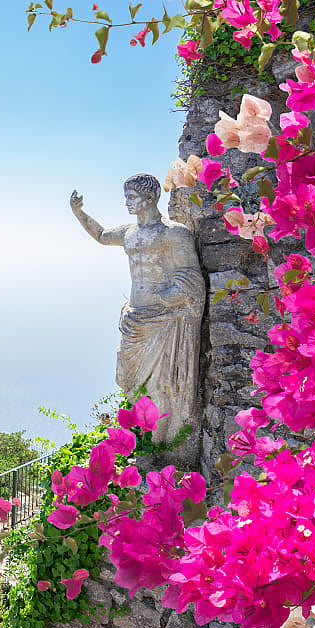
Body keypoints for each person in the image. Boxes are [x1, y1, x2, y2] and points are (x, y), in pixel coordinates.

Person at [70, 173, 204, 444]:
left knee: (160, 384)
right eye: (126, 197)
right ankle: (142, 438)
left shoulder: (174, 233)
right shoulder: (129, 232)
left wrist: (171, 295)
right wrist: (79, 212)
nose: (127, 203)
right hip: (135, 318)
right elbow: (101, 235)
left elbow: (191, 276)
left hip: (162, 319)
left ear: (150, 197)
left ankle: (162, 443)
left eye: (132, 197)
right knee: (131, 383)